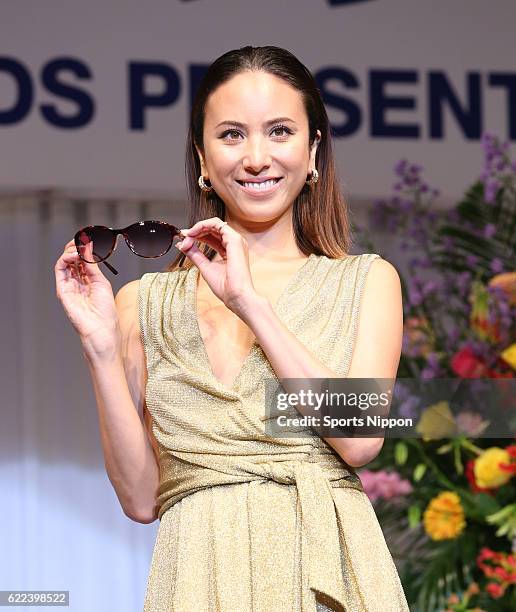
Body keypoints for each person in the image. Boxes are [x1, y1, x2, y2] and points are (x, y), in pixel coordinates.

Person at [55, 45, 409, 612]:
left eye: (280, 131)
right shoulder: (142, 304)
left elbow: (361, 438)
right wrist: (99, 348)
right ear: (202, 155)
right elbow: (143, 498)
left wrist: (249, 302)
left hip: (323, 571)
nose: (257, 157)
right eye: (232, 135)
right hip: (196, 574)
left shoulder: (366, 282)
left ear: (313, 150)